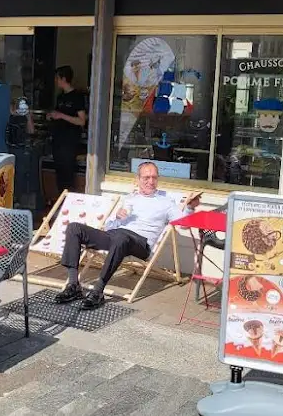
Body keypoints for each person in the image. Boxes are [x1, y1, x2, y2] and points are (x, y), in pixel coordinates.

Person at [55, 161, 202, 310]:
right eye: (146, 178)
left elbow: (183, 224)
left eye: (154, 178)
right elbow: (110, 227)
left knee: (121, 238)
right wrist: (117, 219)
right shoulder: (130, 199)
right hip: (116, 236)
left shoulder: (166, 202)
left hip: (140, 244)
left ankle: (98, 291)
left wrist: (190, 207)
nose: (151, 182)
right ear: (137, 179)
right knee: (74, 228)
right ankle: (73, 285)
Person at [47, 66, 87, 193]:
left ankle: (68, 205)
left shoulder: (77, 97)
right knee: (59, 174)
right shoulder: (60, 97)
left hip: (69, 142)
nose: (55, 81)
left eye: (57, 78)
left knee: (68, 175)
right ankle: (59, 203)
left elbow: (81, 121)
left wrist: (61, 116)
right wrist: (52, 116)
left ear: (64, 78)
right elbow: (58, 115)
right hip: (58, 140)